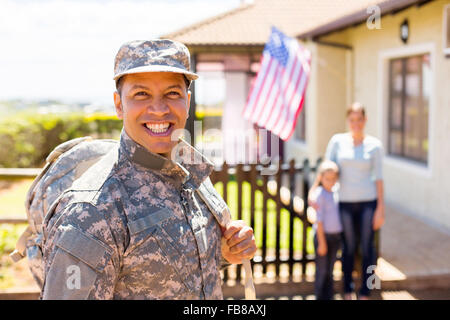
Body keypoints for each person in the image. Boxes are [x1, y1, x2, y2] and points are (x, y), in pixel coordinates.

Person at [40, 39, 256, 299]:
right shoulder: (91, 209)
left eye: (172, 94)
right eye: (141, 94)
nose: (159, 109)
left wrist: (223, 252)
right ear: (119, 104)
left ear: (186, 102)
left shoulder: (191, 174)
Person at [309, 102, 385, 300]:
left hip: (368, 202)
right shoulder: (337, 141)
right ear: (348, 121)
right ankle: (348, 288)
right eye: (352, 119)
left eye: (360, 119)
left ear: (365, 120)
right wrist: (312, 191)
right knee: (349, 246)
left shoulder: (375, 146)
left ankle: (366, 290)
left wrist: (380, 209)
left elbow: (379, 178)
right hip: (344, 203)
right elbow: (325, 169)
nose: (356, 123)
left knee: (367, 246)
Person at [311, 160, 342, 300]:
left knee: (330, 270)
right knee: (322, 270)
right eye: (327, 179)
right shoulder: (320, 195)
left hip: (335, 237)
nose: (330, 182)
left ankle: (329, 296)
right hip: (323, 237)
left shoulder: (337, 192)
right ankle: (320, 296)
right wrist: (322, 242)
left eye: (333, 179)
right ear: (320, 178)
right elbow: (319, 221)